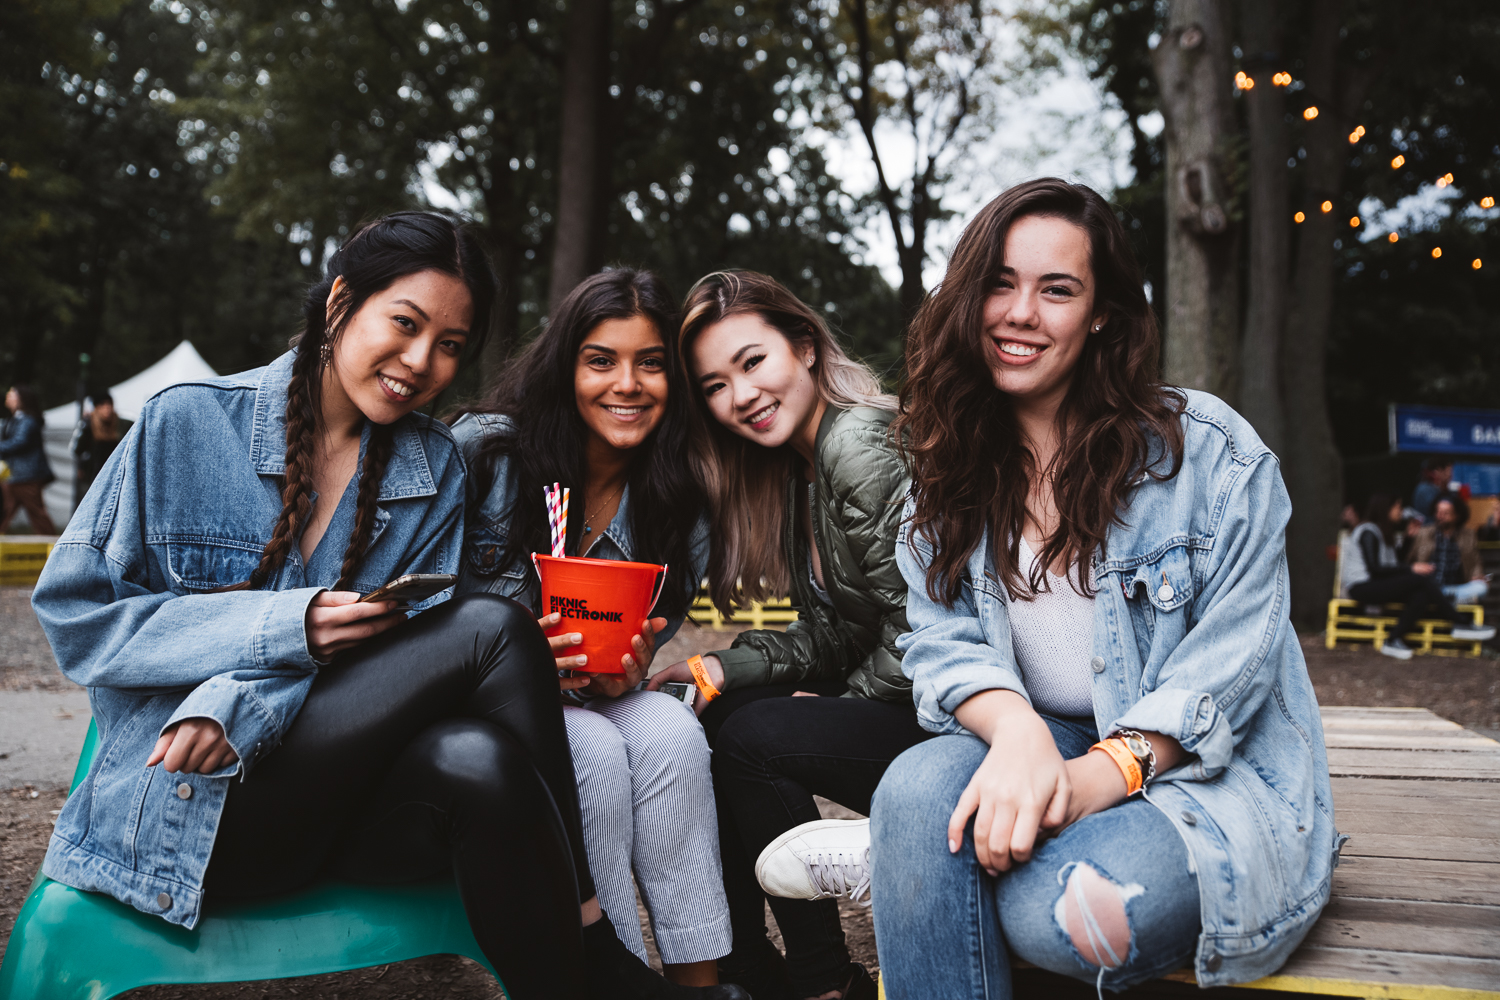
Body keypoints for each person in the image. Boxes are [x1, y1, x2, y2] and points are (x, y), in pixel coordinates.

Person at [29, 212, 728, 1000]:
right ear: (339, 304)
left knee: (481, 759)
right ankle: (592, 943)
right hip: (191, 805)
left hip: (348, 813)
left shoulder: (430, 467)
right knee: (494, 629)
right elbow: (77, 616)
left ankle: (577, 977)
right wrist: (274, 640)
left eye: (452, 345)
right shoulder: (187, 423)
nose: (422, 362)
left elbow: (408, 677)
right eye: (405, 323)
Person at [835, 178, 1345, 999]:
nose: (1019, 313)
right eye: (999, 282)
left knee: (1062, 913)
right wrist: (1021, 736)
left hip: (1208, 778)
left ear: (1103, 312)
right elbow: (941, 637)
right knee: (916, 786)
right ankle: (913, 848)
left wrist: (1098, 776)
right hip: (1050, 737)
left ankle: (909, 864)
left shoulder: (1208, 454)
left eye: (1057, 289)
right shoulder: (946, 467)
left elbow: (1235, 661)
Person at [450, 268, 739, 992]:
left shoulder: (677, 494)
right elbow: (424, 597)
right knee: (597, 754)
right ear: (566, 366)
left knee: (673, 735)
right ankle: (610, 982)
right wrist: (512, 651)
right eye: (601, 360)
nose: (628, 384)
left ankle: (698, 984)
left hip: (590, 693)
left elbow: (649, 634)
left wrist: (629, 670)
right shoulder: (489, 454)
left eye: (650, 363)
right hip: (487, 707)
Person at [647, 270, 916, 1000]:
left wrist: (840, 699)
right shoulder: (799, 472)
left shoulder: (855, 445)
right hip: (908, 704)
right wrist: (725, 667)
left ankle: (823, 986)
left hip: (960, 722)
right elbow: (830, 624)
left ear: (803, 346)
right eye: (713, 385)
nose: (740, 396)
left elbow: (924, 629)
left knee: (754, 738)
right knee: (721, 713)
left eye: (751, 362)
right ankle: (743, 970)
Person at [1342, 492, 1493, 658]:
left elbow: (1393, 564)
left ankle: (1393, 639)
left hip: (1378, 584)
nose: (1401, 511)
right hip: (1362, 586)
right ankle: (1459, 622)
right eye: (1398, 507)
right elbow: (1375, 569)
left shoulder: (1384, 532)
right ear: (1386, 509)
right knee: (1421, 579)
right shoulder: (1368, 531)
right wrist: (1411, 569)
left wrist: (1407, 539)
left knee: (1420, 595)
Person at [1409, 492, 1488, 605]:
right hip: (1428, 587)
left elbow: (1476, 562)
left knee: (1481, 588)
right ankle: (1448, 602)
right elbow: (1409, 560)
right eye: (1438, 512)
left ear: (1457, 515)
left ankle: (1444, 601)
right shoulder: (1424, 533)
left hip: (1455, 589)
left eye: (1446, 513)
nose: (1440, 516)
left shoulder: (1468, 535)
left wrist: (1477, 576)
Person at [0, 383, 58, 535]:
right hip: (14, 476)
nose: (8, 396)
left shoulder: (27, 421)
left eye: (12, 394)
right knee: (6, 510)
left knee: (36, 513)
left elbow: (20, 442)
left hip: (27, 476)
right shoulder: (14, 420)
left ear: (21, 399)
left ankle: (53, 544)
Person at [72, 391, 125, 496]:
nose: (107, 408)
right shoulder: (88, 424)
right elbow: (78, 449)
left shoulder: (119, 424)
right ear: (96, 407)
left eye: (109, 404)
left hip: (112, 472)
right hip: (93, 473)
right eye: (103, 405)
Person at [1411, 457, 1453, 522]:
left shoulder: (1438, 489)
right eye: (1448, 471)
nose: (1450, 475)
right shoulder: (1424, 489)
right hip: (1426, 527)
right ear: (1438, 471)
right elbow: (1438, 511)